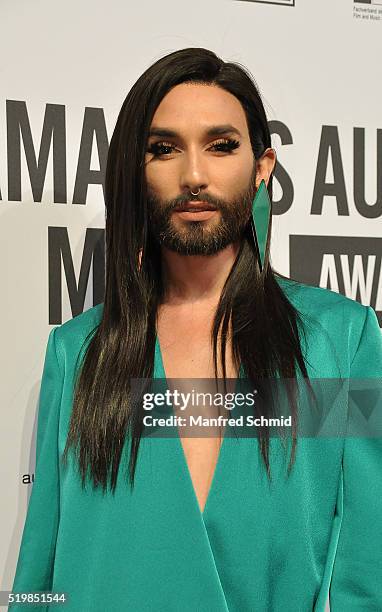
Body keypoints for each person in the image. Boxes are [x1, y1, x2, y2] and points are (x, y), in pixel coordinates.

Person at [9, 48, 382, 612]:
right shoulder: (77, 355)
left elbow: (367, 573)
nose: (194, 175)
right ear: (135, 170)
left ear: (262, 167)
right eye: (163, 149)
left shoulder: (342, 342)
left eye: (221, 145)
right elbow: (42, 575)